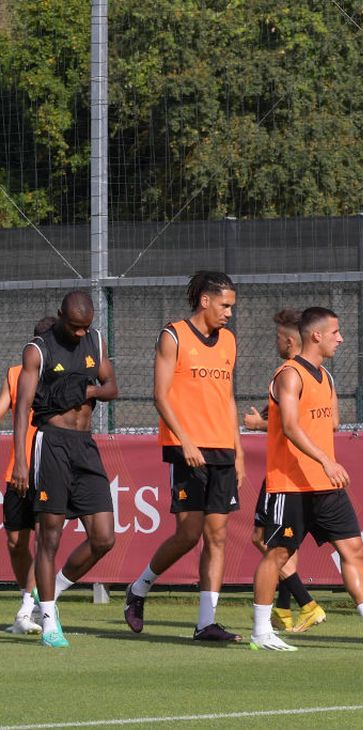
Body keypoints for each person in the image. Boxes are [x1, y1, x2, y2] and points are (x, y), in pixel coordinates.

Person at [250, 307, 363, 650]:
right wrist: (326, 460)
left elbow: (331, 423)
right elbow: (290, 427)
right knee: (278, 554)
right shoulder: (289, 374)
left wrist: (324, 458)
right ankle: (261, 632)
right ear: (316, 335)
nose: (341, 339)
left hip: (325, 484)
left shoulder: (325, 377)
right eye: (335, 333)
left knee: (353, 548)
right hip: (291, 484)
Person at [124, 271, 246, 642]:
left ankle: (206, 622)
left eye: (232, 307)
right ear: (205, 301)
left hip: (222, 449)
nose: (229, 313)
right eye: (224, 305)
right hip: (187, 449)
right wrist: (185, 441)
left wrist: (238, 451)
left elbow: (227, 398)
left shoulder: (228, 341)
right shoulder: (173, 335)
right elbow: (160, 396)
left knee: (218, 536)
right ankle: (139, 588)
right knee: (189, 534)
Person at [12, 292, 119, 648]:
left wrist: (85, 390)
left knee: (104, 537)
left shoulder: (95, 341)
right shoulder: (38, 350)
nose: (80, 333)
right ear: (60, 316)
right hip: (52, 443)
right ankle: (48, 621)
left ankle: (51, 593)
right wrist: (21, 461)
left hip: (84, 445)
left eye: (85, 327)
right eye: (74, 327)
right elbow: (22, 408)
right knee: (50, 537)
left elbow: (111, 387)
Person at [246, 309, 327, 633]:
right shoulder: (320, 373)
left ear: (291, 340)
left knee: (264, 540)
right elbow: (330, 421)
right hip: (306, 471)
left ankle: (306, 603)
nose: (276, 342)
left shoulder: (288, 373)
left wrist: (259, 425)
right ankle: (283, 608)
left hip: (285, 470)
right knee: (284, 543)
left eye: (278, 337)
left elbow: (293, 426)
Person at [2, 316, 55, 635]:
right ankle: (31, 601)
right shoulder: (16, 373)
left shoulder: (63, 376)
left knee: (43, 538)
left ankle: (27, 608)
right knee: (15, 542)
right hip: (18, 471)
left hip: (49, 468)